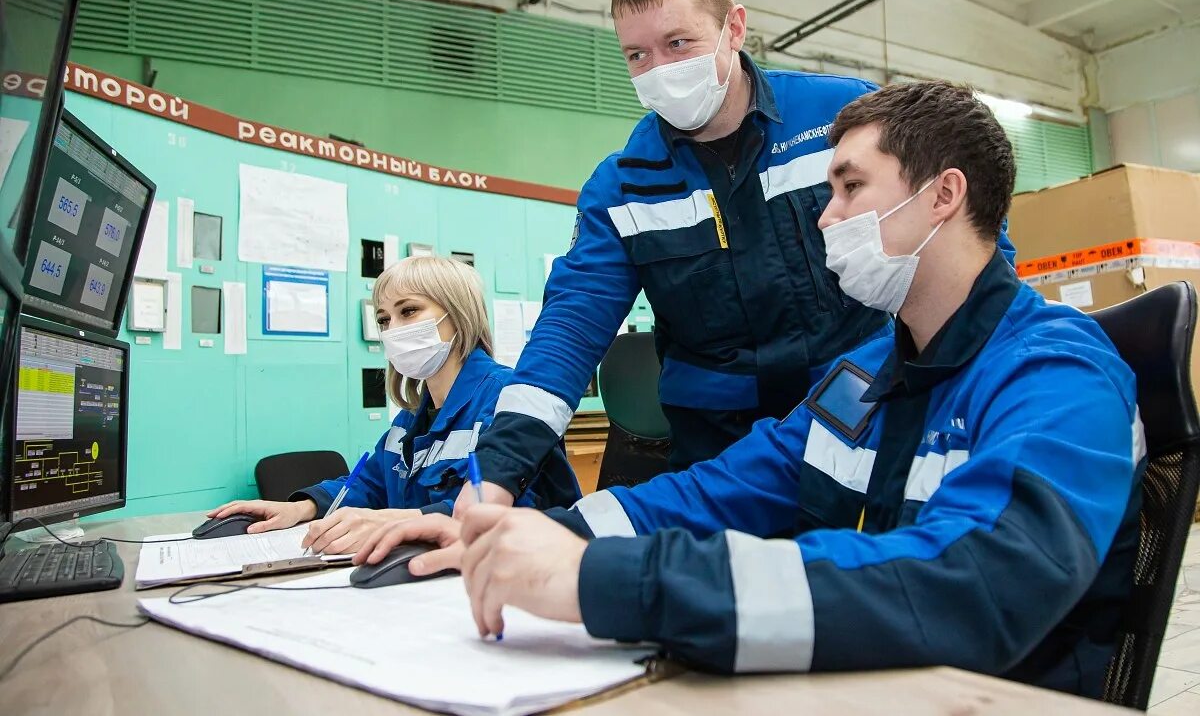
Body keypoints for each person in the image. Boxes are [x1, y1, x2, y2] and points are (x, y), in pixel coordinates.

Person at [354, 81, 1142, 699]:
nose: (825, 216)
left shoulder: (1056, 373)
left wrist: (606, 583)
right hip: (869, 683)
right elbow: (721, 491)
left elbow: (972, 587)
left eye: (849, 186)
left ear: (942, 195)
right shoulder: (864, 379)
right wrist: (526, 538)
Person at [462, 0, 1014, 511]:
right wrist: (494, 479)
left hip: (858, 409)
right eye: (637, 56)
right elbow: (569, 329)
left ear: (735, 27)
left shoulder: (840, 119)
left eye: (678, 43)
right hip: (715, 447)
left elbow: (967, 240)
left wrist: (981, 375)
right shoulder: (622, 187)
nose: (660, 71)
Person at [205, 256, 579, 555]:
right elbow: (370, 484)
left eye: (409, 311)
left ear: (458, 314)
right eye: (384, 319)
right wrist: (301, 507)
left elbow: (519, 511)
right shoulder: (409, 420)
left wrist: (398, 521)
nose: (393, 329)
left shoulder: (508, 400)